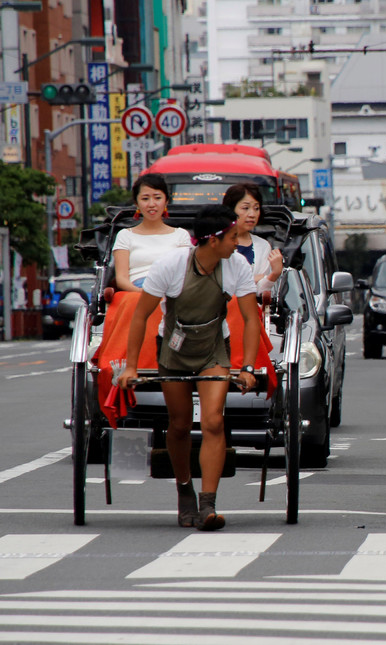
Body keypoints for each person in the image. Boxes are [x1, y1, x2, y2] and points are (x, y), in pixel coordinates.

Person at [117, 205, 259, 531]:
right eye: (233, 236)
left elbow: (252, 318)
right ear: (212, 240)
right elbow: (140, 316)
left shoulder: (236, 265)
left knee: (213, 420)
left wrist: (248, 366)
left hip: (213, 349)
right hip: (174, 350)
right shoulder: (171, 265)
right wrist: (131, 366)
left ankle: (208, 504)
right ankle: (185, 491)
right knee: (179, 423)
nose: (238, 242)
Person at [112, 174, 193, 292]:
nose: (151, 204)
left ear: (166, 201)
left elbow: (186, 274)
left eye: (157, 198)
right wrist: (146, 295)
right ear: (136, 203)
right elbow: (121, 278)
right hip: (137, 292)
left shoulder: (181, 235)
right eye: (145, 199)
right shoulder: (125, 235)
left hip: (172, 290)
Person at [222, 183, 283, 295]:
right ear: (230, 209)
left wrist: (274, 274)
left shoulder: (263, 246)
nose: (252, 214)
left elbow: (261, 290)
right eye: (245, 208)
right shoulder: (218, 242)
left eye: (256, 208)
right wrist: (253, 279)